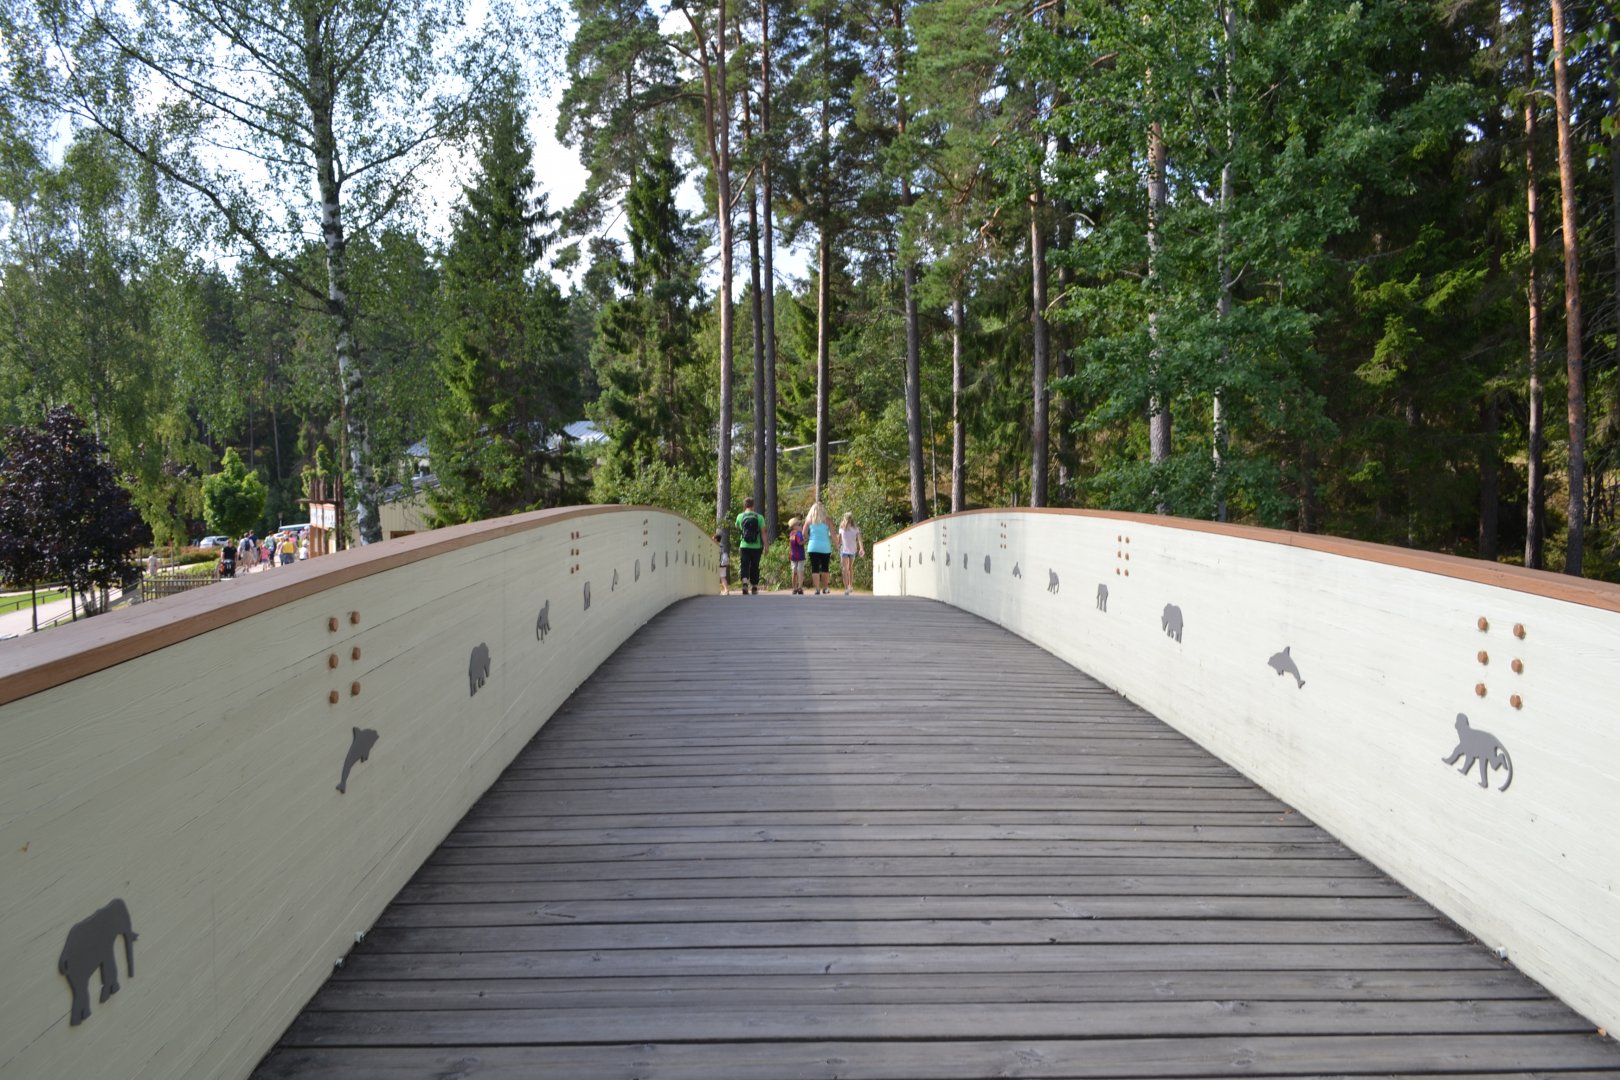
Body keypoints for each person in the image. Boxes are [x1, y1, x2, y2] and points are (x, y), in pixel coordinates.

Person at [735, 497, 765, 595]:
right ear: (753, 505)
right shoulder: (759, 517)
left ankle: (744, 583)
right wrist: (766, 545)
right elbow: (763, 532)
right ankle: (754, 587)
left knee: (744, 565)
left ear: (745, 505)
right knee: (755, 566)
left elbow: (737, 527)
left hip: (744, 545)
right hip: (756, 546)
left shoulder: (740, 516)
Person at [804, 501, 833, 595]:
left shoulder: (809, 520)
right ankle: (825, 588)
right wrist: (837, 545)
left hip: (813, 547)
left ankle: (817, 589)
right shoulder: (827, 520)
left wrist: (810, 539)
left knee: (815, 568)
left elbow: (804, 533)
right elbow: (833, 534)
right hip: (825, 547)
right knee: (825, 568)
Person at [838, 512, 864, 595]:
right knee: (845, 568)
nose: (847, 520)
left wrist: (861, 548)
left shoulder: (855, 528)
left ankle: (850, 585)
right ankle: (846, 588)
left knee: (849, 568)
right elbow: (839, 540)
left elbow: (859, 539)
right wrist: (838, 545)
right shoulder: (841, 528)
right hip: (844, 550)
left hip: (852, 550)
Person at [787, 516, 806, 595]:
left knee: (794, 571)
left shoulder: (791, 533)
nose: (801, 526)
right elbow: (800, 543)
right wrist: (806, 540)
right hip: (800, 555)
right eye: (799, 524)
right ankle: (800, 587)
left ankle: (794, 588)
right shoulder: (798, 534)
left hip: (793, 555)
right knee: (800, 571)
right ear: (794, 526)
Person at [714, 528, 731, 595]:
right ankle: (726, 590)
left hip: (719, 564)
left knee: (720, 577)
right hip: (723, 563)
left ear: (715, 539)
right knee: (723, 577)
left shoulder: (716, 546)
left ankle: (725, 590)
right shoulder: (722, 546)